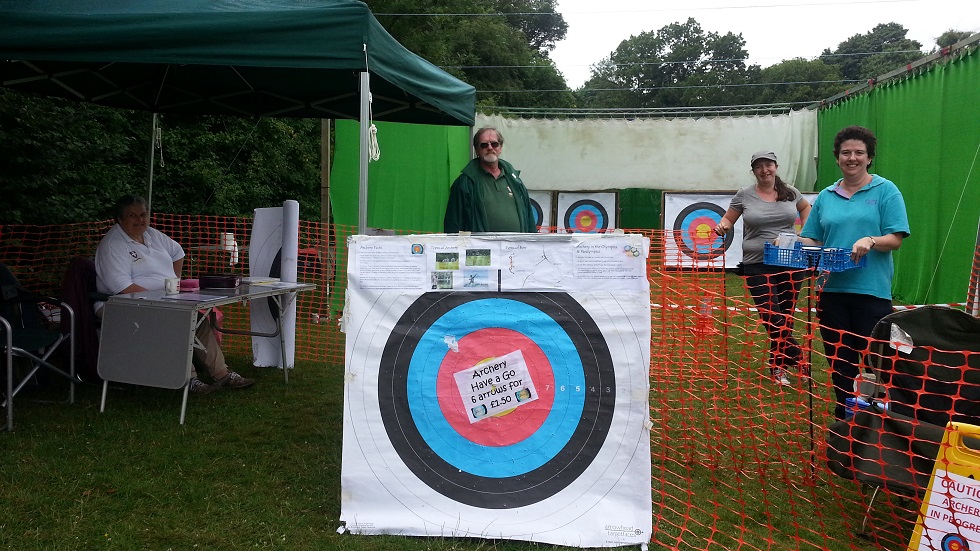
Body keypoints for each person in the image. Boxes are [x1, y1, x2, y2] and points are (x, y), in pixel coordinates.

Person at [798, 126, 910, 420]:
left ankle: (883, 420)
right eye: (846, 152)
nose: (852, 158)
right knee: (840, 362)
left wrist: (870, 240)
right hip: (831, 292)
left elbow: (895, 239)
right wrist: (789, 241)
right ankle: (845, 418)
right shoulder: (826, 196)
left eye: (859, 152)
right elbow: (813, 239)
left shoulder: (886, 190)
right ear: (837, 158)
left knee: (877, 362)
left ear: (869, 158)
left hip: (871, 292)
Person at [95, 194, 255, 395]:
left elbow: (177, 252)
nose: (140, 220)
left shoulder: (151, 235)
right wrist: (163, 297)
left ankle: (222, 374)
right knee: (175, 322)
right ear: (119, 219)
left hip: (162, 301)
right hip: (121, 306)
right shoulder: (112, 246)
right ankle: (188, 379)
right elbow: (122, 288)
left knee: (199, 320)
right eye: (133, 215)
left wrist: (174, 283)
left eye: (143, 215)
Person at [714, 151, 811, 386]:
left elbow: (806, 208)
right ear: (753, 171)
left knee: (785, 316)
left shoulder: (791, 192)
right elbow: (728, 219)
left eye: (768, 165)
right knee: (771, 316)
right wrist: (722, 226)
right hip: (757, 262)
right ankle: (798, 357)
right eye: (759, 166)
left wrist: (805, 234)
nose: (764, 170)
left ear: (776, 166)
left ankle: (778, 367)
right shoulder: (744, 195)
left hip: (790, 260)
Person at [444, 127, 537, 233]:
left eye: (494, 144)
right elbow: (453, 226)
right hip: (479, 244)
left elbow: (530, 220)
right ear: (477, 150)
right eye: (484, 145)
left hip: (517, 244)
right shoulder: (464, 183)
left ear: (500, 148)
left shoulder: (516, 181)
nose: (490, 148)